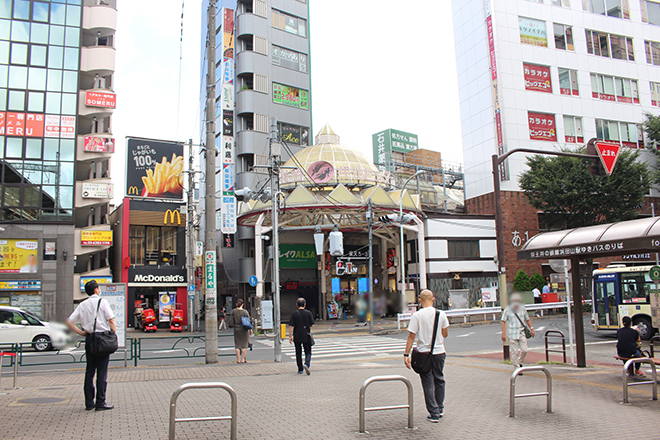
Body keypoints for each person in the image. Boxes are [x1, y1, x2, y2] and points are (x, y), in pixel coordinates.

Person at [66, 280, 116, 411]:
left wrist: (82, 333)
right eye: (99, 288)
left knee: (90, 371)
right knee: (102, 372)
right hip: (102, 338)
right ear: (96, 290)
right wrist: (113, 334)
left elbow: (69, 322)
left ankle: (89, 402)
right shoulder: (102, 302)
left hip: (90, 338)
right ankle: (101, 402)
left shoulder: (82, 304)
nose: (100, 290)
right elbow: (110, 320)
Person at [404, 290, 450, 423]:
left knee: (428, 382)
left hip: (424, 354)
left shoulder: (417, 315)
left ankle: (434, 412)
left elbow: (411, 336)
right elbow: (445, 334)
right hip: (439, 352)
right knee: (439, 379)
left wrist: (406, 354)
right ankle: (440, 408)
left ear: (419, 300)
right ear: (433, 299)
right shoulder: (441, 314)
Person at [501, 293, 535, 369]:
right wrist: (503, 333)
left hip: (522, 332)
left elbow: (527, 319)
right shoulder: (508, 309)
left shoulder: (522, 308)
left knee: (524, 350)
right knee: (515, 352)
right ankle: (517, 368)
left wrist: (532, 328)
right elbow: (503, 321)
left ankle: (519, 362)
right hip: (512, 333)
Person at [288, 298, 315, 375]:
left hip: (297, 335)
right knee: (308, 351)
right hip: (306, 335)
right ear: (305, 304)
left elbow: (291, 326)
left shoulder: (294, 314)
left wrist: (290, 336)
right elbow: (312, 324)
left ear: (297, 305)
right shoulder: (308, 313)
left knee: (298, 352)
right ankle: (307, 364)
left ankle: (300, 369)